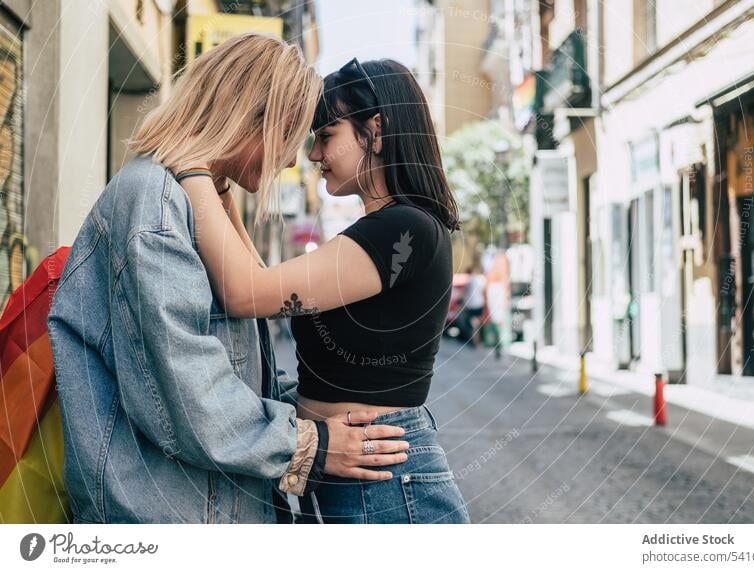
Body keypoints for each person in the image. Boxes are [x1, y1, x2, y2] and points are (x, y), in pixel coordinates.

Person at [46, 35, 407, 524]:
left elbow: (238, 373)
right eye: (290, 136)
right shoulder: (155, 206)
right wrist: (309, 445)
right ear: (251, 117)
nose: (289, 161)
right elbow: (187, 397)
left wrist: (314, 417)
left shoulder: (193, 201)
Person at [174, 57, 470, 523]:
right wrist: (221, 188)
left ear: (376, 129)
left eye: (325, 135)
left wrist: (190, 166)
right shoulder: (384, 228)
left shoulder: (401, 229)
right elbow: (261, 285)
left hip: (385, 484)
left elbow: (245, 294)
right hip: (352, 474)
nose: (313, 154)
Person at [462, 266, 487, 347]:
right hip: (479, 304)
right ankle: (477, 341)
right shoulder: (481, 279)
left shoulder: (469, 281)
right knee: (477, 324)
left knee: (474, 324)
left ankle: (475, 341)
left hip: (471, 305)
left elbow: (465, 295)